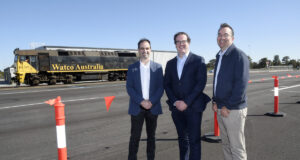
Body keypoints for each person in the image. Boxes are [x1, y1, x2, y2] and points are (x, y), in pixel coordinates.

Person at [164, 32, 210, 160]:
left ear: (188, 42)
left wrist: (186, 102)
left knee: (194, 140)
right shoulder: (170, 63)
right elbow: (166, 85)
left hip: (193, 107)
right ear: (175, 45)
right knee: (182, 140)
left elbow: (200, 84)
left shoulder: (198, 60)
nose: (181, 44)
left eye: (183, 41)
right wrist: (175, 102)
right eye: (178, 42)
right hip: (176, 108)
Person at [212, 23, 249, 160]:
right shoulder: (219, 56)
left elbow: (241, 86)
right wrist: (214, 101)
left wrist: (228, 106)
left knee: (236, 147)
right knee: (226, 145)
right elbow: (217, 81)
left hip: (232, 109)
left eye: (225, 35)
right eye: (219, 35)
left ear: (232, 38)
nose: (222, 37)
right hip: (221, 108)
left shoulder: (239, 56)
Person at [126, 38, 164, 160]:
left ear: (150, 50)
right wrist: (142, 101)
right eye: (142, 48)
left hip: (153, 108)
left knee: (151, 137)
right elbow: (129, 88)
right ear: (138, 50)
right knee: (134, 137)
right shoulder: (132, 68)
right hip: (137, 107)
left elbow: (160, 88)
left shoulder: (158, 67)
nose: (145, 51)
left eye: (147, 48)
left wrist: (151, 101)